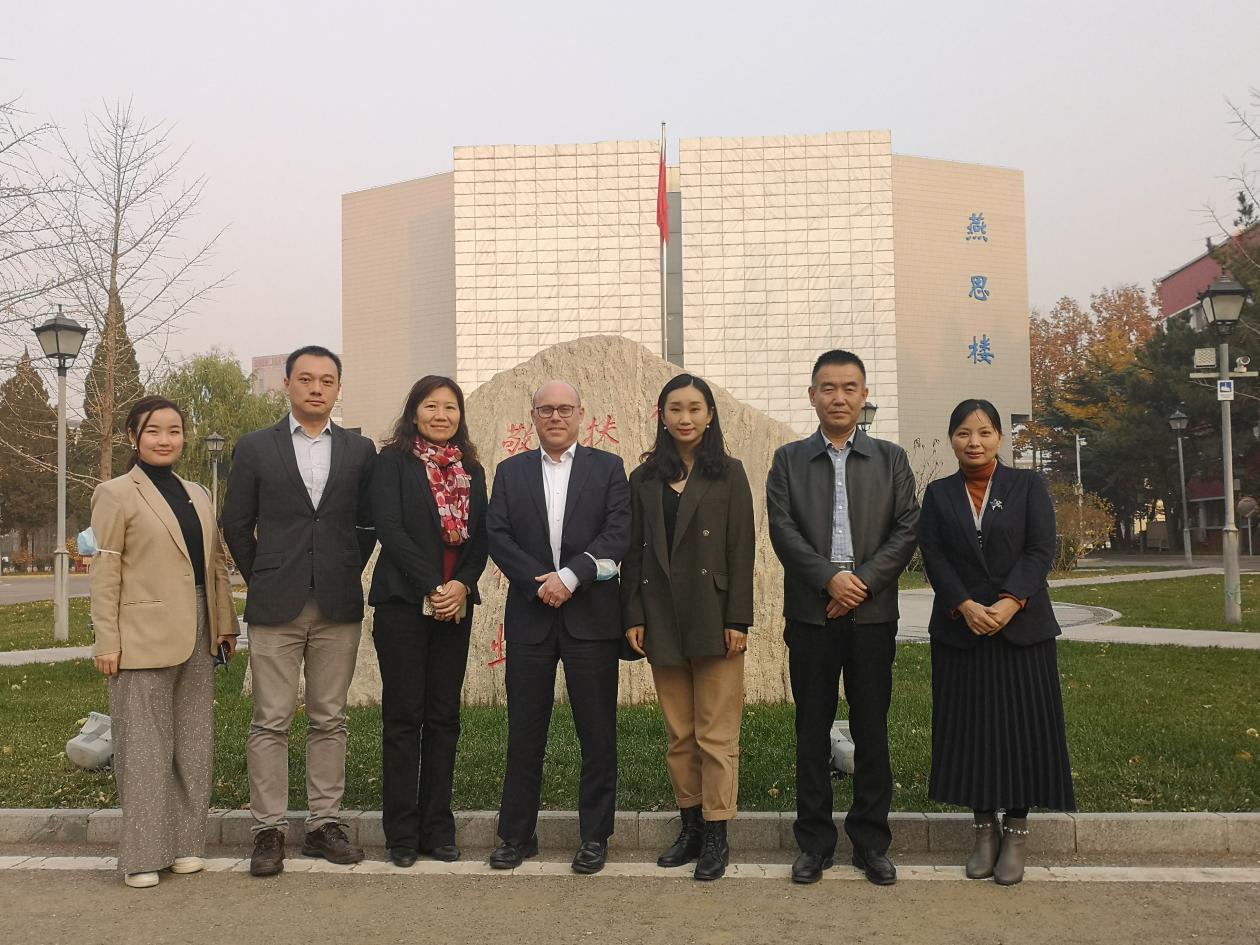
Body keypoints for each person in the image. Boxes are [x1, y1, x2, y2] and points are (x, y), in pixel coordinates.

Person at [221, 345, 377, 877]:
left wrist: (345, 566)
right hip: (275, 604)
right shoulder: (255, 447)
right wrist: (264, 574)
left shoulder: (360, 450)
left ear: (338, 388)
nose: (316, 388)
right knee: (271, 719)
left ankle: (323, 824)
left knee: (330, 718)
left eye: (326, 380)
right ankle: (267, 830)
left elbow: (368, 523)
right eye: (306, 378)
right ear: (287, 384)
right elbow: (236, 523)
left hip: (338, 602)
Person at [766, 349, 919, 886]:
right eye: (828, 388)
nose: (839, 397)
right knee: (811, 728)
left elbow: (906, 528)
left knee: (872, 727)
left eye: (849, 387)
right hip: (812, 614)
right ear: (812, 396)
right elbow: (782, 530)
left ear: (864, 395)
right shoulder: (788, 460)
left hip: (872, 615)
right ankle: (814, 843)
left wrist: (862, 584)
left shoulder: (891, 459)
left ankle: (871, 842)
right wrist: (829, 580)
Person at [917, 399, 1075, 886]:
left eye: (984, 432)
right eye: (964, 433)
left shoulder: (1028, 486)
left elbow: (1040, 549)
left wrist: (1011, 601)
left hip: (1022, 630)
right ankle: (984, 830)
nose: (974, 442)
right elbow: (934, 555)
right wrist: (964, 605)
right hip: (961, 630)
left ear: (1000, 438)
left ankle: (1018, 830)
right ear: (951, 439)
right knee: (973, 731)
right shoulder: (938, 493)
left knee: (1023, 728)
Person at [89, 396, 240, 888]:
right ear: (133, 437)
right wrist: (106, 640)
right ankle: (142, 855)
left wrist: (225, 623)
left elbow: (214, 564)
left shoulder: (198, 493)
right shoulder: (115, 493)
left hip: (199, 626)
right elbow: (105, 569)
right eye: (153, 431)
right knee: (144, 748)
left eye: (174, 430)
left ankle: (185, 845)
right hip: (141, 634)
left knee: (192, 743)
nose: (165, 439)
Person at [486, 380, 631, 875]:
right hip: (531, 618)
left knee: (597, 732)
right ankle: (516, 835)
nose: (555, 417)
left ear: (581, 414)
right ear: (533, 415)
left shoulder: (608, 468)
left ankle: (595, 837)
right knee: (525, 732)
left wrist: (570, 577)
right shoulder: (511, 472)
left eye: (564, 409)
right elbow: (498, 535)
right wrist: (541, 583)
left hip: (591, 618)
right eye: (545, 409)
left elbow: (618, 532)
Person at [621, 374, 754, 881]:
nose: (685, 418)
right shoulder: (644, 477)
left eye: (695, 408)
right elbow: (633, 551)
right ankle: (691, 827)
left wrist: (738, 617)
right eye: (675, 408)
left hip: (714, 615)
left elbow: (742, 548)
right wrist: (634, 613)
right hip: (662, 615)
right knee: (680, 734)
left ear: (710, 415)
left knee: (715, 734)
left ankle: (718, 833)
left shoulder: (730, 473)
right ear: (661, 415)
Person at [368, 376, 488, 867]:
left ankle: (437, 827)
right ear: (414, 411)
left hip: (455, 607)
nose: (442, 416)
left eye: (450, 407)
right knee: (403, 718)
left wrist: (461, 586)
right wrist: (433, 586)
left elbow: (482, 536)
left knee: (444, 717)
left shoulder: (472, 469)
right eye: (431, 406)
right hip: (403, 603)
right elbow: (389, 529)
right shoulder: (392, 462)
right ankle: (401, 832)